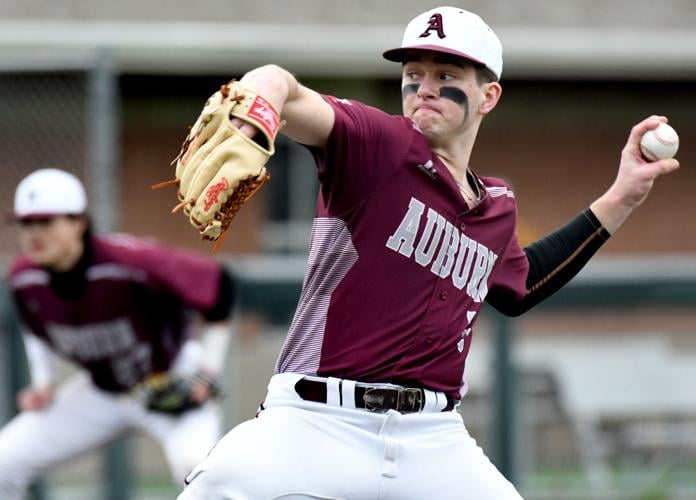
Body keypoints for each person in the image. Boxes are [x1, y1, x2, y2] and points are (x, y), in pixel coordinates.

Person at [176, 6, 680, 500]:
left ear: (489, 95)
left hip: (432, 438)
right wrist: (259, 106)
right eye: (413, 74)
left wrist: (624, 194)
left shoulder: (496, 206)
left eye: (446, 73)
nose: (425, 87)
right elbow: (283, 86)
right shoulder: (380, 145)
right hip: (316, 421)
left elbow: (520, 285)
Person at [0, 167, 236, 498]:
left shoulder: (131, 262)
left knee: (199, 472)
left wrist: (208, 372)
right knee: (3, 463)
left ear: (79, 223)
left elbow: (219, 285)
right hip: (101, 392)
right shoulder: (25, 279)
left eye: (47, 222)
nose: (34, 233)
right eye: (26, 223)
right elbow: (35, 327)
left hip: (169, 378)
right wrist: (44, 382)